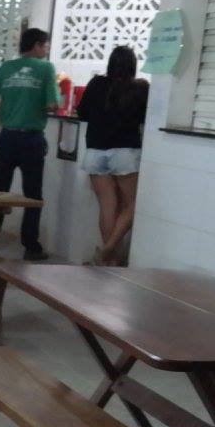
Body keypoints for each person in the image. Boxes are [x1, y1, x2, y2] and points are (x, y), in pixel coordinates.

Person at [0, 27, 60, 260]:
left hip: (6, 137)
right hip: (32, 139)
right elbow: (53, 105)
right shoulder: (46, 68)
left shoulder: (6, 68)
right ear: (37, 45)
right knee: (32, 195)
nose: (46, 50)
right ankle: (31, 246)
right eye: (45, 46)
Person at [77, 46, 149, 266]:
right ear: (133, 66)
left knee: (108, 206)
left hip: (95, 151)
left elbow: (82, 113)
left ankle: (110, 260)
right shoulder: (140, 89)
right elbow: (146, 118)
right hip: (125, 153)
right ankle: (108, 252)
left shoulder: (96, 83)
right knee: (133, 204)